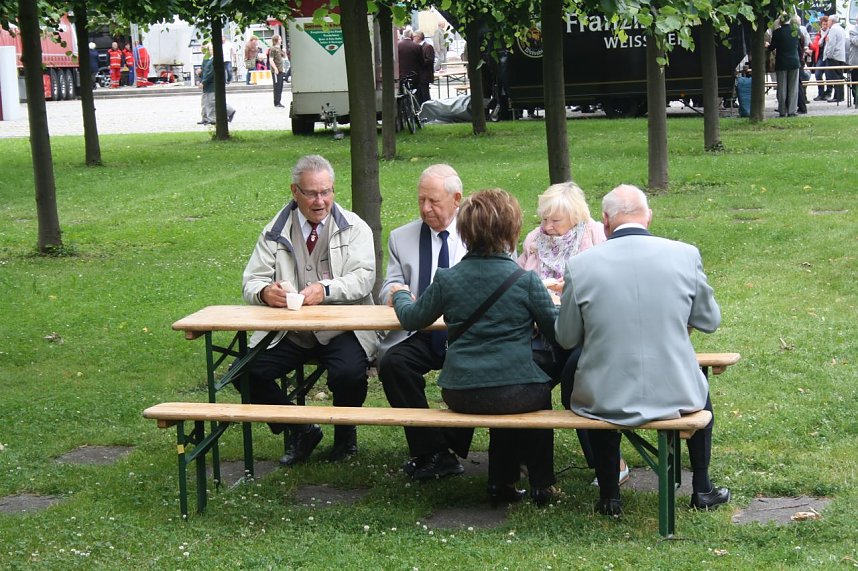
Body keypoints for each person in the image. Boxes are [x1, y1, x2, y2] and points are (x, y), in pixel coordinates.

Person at [555, 184, 729, 517]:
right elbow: (710, 320)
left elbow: (566, 337)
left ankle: (609, 495)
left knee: (591, 389)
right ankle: (702, 487)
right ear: (648, 216)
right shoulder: (685, 255)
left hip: (604, 396)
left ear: (606, 221)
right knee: (700, 387)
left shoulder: (580, 265)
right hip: (677, 393)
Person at [390, 189, 558, 507]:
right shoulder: (525, 281)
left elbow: (412, 318)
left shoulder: (447, 279)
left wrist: (399, 292)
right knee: (534, 388)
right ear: (511, 230)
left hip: (460, 390)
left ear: (465, 231)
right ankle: (538, 483)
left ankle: (502, 482)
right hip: (515, 391)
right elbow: (558, 332)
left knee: (511, 386)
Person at [242, 155, 376, 466]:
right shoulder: (274, 230)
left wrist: (326, 290)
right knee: (247, 373)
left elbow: (364, 278)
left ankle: (345, 435)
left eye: (326, 192)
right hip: (290, 331)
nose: (320, 201)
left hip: (342, 327)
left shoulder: (355, 227)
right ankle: (300, 428)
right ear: (295, 191)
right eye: (312, 193)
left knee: (349, 373)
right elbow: (252, 280)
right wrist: (265, 292)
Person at [517, 182, 631, 488]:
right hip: (542, 333)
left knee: (578, 383)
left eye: (555, 220)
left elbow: (607, 283)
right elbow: (520, 281)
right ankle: (531, 463)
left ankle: (610, 464)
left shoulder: (594, 235)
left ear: (576, 216)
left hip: (587, 335)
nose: (547, 227)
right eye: (544, 219)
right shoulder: (533, 240)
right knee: (525, 378)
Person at [378, 164, 472, 482]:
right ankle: (432, 450)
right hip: (420, 329)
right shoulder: (401, 237)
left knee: (478, 368)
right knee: (393, 364)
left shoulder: (480, 231)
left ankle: (449, 446)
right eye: (421, 200)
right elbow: (389, 285)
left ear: (456, 199)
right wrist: (395, 292)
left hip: (466, 333)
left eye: (433, 201)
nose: (426, 208)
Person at [768, 14, 802, 117]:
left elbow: (772, 47)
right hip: (794, 62)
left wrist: (767, 45)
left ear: (780, 21)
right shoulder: (796, 31)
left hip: (781, 62)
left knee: (782, 88)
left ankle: (782, 110)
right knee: (793, 88)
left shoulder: (777, 32)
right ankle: (792, 110)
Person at [198, 43, 236, 125]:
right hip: (207, 84)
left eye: (210, 49)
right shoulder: (207, 59)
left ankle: (222, 114)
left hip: (212, 84)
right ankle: (207, 118)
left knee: (212, 101)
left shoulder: (215, 60)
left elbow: (210, 73)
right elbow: (205, 71)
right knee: (206, 102)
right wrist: (200, 74)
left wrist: (203, 82)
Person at [823, 15, 846, 103]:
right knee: (839, 76)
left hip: (834, 56)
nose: (827, 22)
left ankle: (838, 96)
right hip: (840, 56)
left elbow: (831, 44)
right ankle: (839, 96)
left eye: (828, 21)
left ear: (832, 21)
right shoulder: (841, 29)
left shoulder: (833, 29)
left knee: (835, 77)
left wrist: (828, 55)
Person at [811, 16, 830, 101]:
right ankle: (821, 93)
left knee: (829, 75)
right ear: (821, 25)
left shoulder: (830, 33)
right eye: (823, 24)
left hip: (828, 57)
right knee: (818, 74)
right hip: (820, 56)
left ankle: (828, 93)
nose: (825, 26)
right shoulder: (818, 34)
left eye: (826, 24)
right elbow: (815, 46)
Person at [414, 31, 435, 105]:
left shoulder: (428, 47)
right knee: (419, 95)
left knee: (425, 95)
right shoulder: (417, 47)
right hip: (419, 76)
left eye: (414, 36)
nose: (413, 38)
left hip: (425, 75)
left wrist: (419, 62)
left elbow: (430, 60)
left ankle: (427, 108)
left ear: (419, 37)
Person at [269, 34, 287, 108]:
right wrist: (275, 68)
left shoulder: (279, 48)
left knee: (280, 86)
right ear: (276, 40)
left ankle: (278, 101)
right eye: (279, 39)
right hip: (276, 71)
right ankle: (276, 102)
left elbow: (284, 57)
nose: (281, 40)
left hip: (281, 69)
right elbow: (271, 60)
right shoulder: (273, 49)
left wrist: (284, 52)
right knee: (277, 87)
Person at [848, 16, 858, 102]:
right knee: (855, 80)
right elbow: (856, 42)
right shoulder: (853, 31)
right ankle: (856, 99)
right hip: (855, 61)